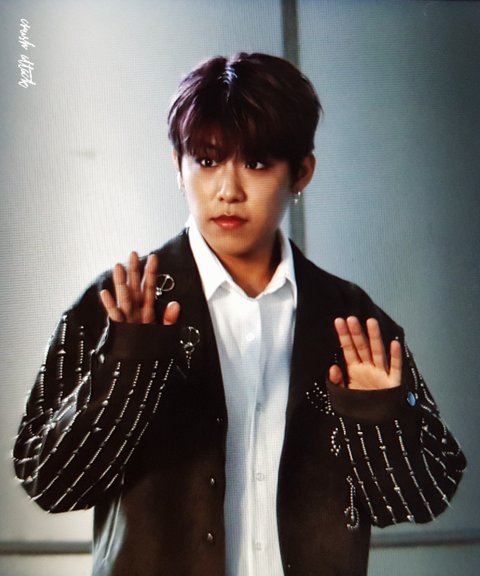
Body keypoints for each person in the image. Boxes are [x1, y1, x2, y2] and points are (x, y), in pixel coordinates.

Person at [13, 53, 466, 576]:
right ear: (178, 167)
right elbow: (48, 482)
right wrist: (130, 366)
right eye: (207, 161)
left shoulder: (350, 319)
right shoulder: (119, 304)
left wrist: (377, 416)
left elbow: (422, 499)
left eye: (256, 164)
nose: (228, 190)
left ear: (301, 172)